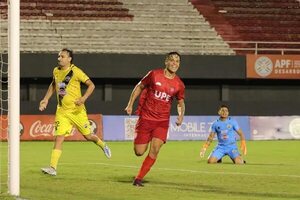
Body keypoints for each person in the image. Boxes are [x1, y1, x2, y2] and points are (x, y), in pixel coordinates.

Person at [39, 48, 111, 176]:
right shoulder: (56, 71)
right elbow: (54, 85)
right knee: (59, 137)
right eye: (58, 56)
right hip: (62, 111)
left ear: (69, 59)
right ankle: (53, 168)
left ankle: (102, 144)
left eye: (62, 56)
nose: (59, 58)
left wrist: (83, 98)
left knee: (88, 136)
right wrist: (45, 99)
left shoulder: (76, 72)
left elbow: (92, 85)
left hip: (77, 111)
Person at [125, 52, 185, 186]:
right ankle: (140, 147)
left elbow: (180, 102)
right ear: (166, 62)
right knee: (139, 152)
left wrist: (181, 116)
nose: (175, 63)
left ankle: (138, 179)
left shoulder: (179, 84)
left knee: (155, 149)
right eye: (172, 60)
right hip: (146, 119)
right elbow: (139, 86)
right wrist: (130, 104)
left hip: (162, 122)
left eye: (177, 61)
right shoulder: (153, 74)